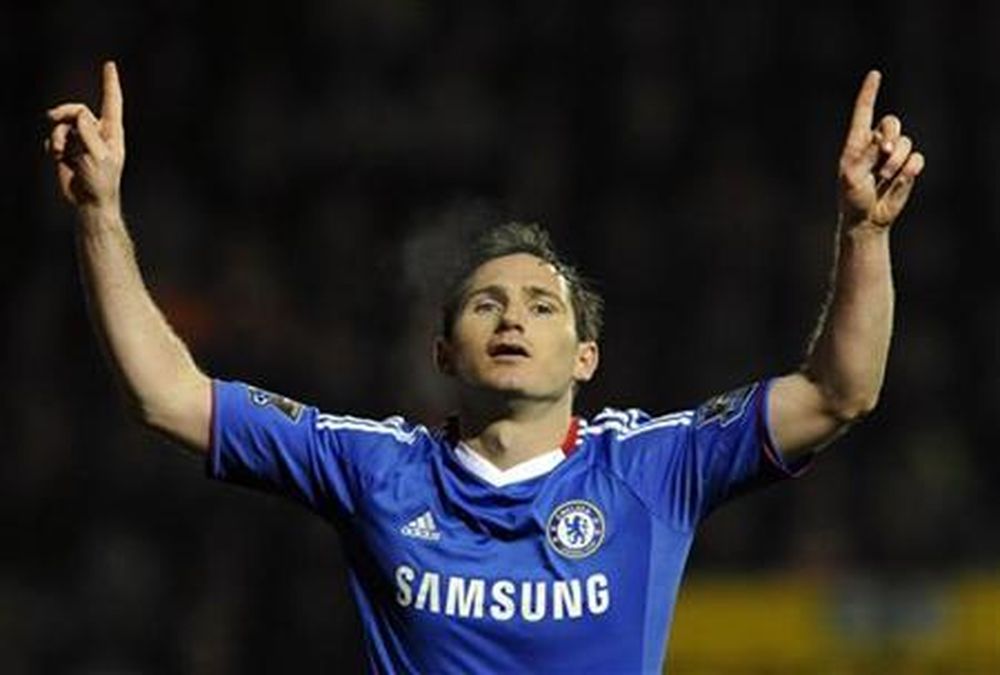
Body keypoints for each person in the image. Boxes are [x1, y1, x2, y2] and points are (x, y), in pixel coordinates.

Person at [45, 61, 924, 673]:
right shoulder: (374, 467)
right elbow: (166, 395)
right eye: (485, 304)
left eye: (543, 306)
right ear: (442, 354)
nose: (513, 317)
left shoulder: (650, 467)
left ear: (587, 356)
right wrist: (100, 214)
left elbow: (840, 392)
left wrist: (865, 234)